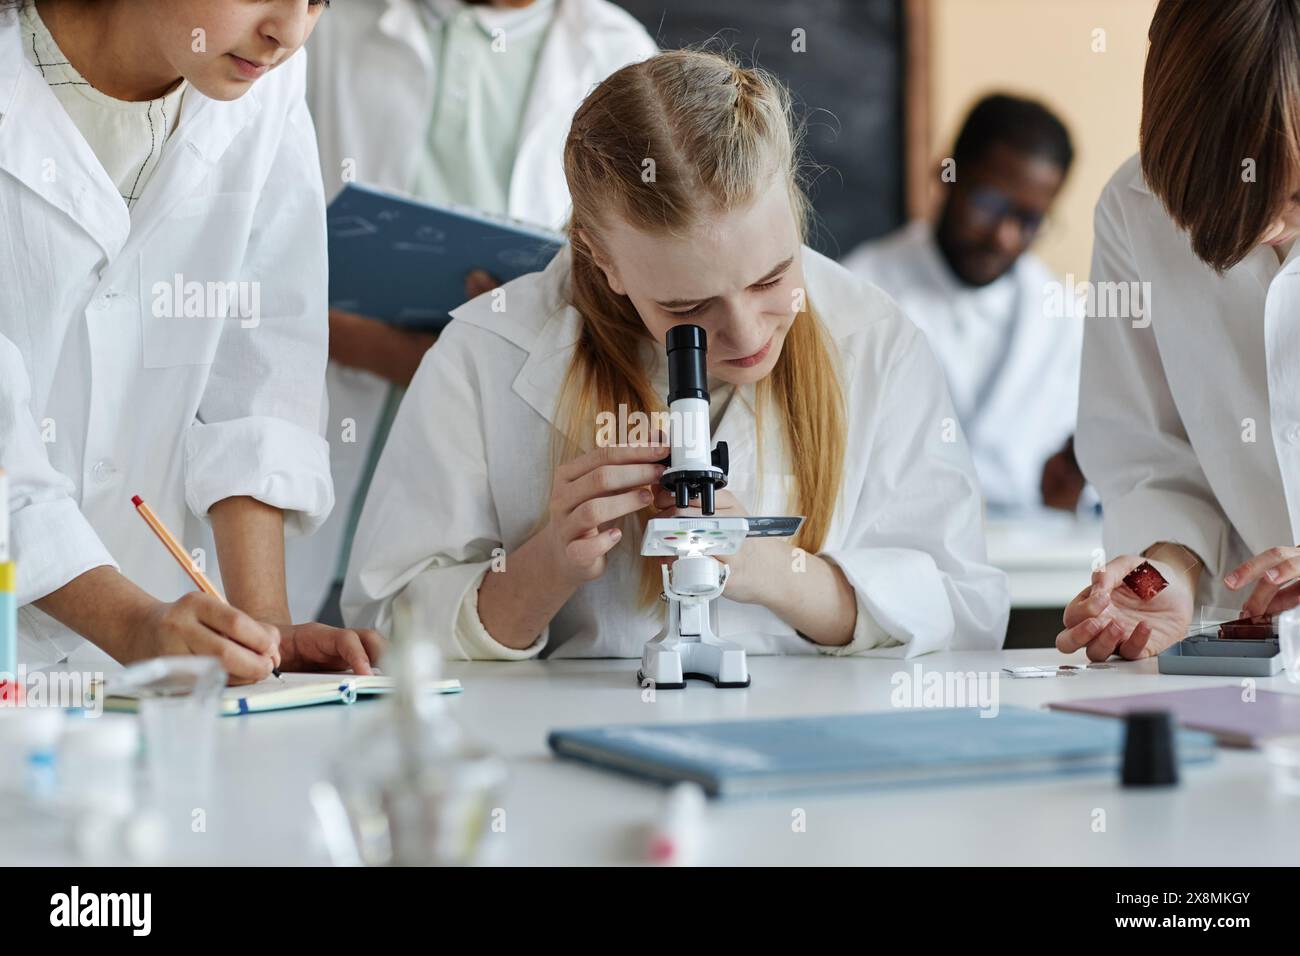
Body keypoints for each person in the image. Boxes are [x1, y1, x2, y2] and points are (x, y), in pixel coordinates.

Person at [343, 50, 1009, 660]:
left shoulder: (877, 341)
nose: (748, 337)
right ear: (606, 262)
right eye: (687, 311)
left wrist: (771, 570)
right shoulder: (484, 351)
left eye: (773, 278)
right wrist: (545, 566)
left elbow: (967, 613)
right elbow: (381, 629)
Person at [0, 0, 383, 680]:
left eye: (319, 0)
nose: (288, 33)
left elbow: (261, 363)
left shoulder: (260, 88)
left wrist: (265, 626)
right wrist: (130, 624)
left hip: (149, 666)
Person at [290, 0, 656, 623]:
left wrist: (474, 353)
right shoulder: (331, 26)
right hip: (326, 433)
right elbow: (260, 268)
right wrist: (400, 351)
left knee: (460, 647)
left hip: (500, 485)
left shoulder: (616, 49)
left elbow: (636, 294)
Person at [1059, 0, 1300, 660]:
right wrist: (1163, 570)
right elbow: (1153, 460)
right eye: (1231, 197)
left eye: (1299, 197)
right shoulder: (1136, 211)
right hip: (1258, 664)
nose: (1266, 229)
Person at [842, 94, 1084, 513]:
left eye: (1029, 221)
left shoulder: (1062, 317)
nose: (1003, 237)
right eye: (988, 204)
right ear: (947, 175)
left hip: (1036, 564)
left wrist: (1073, 490)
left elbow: (1083, 479)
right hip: (888, 557)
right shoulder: (857, 290)